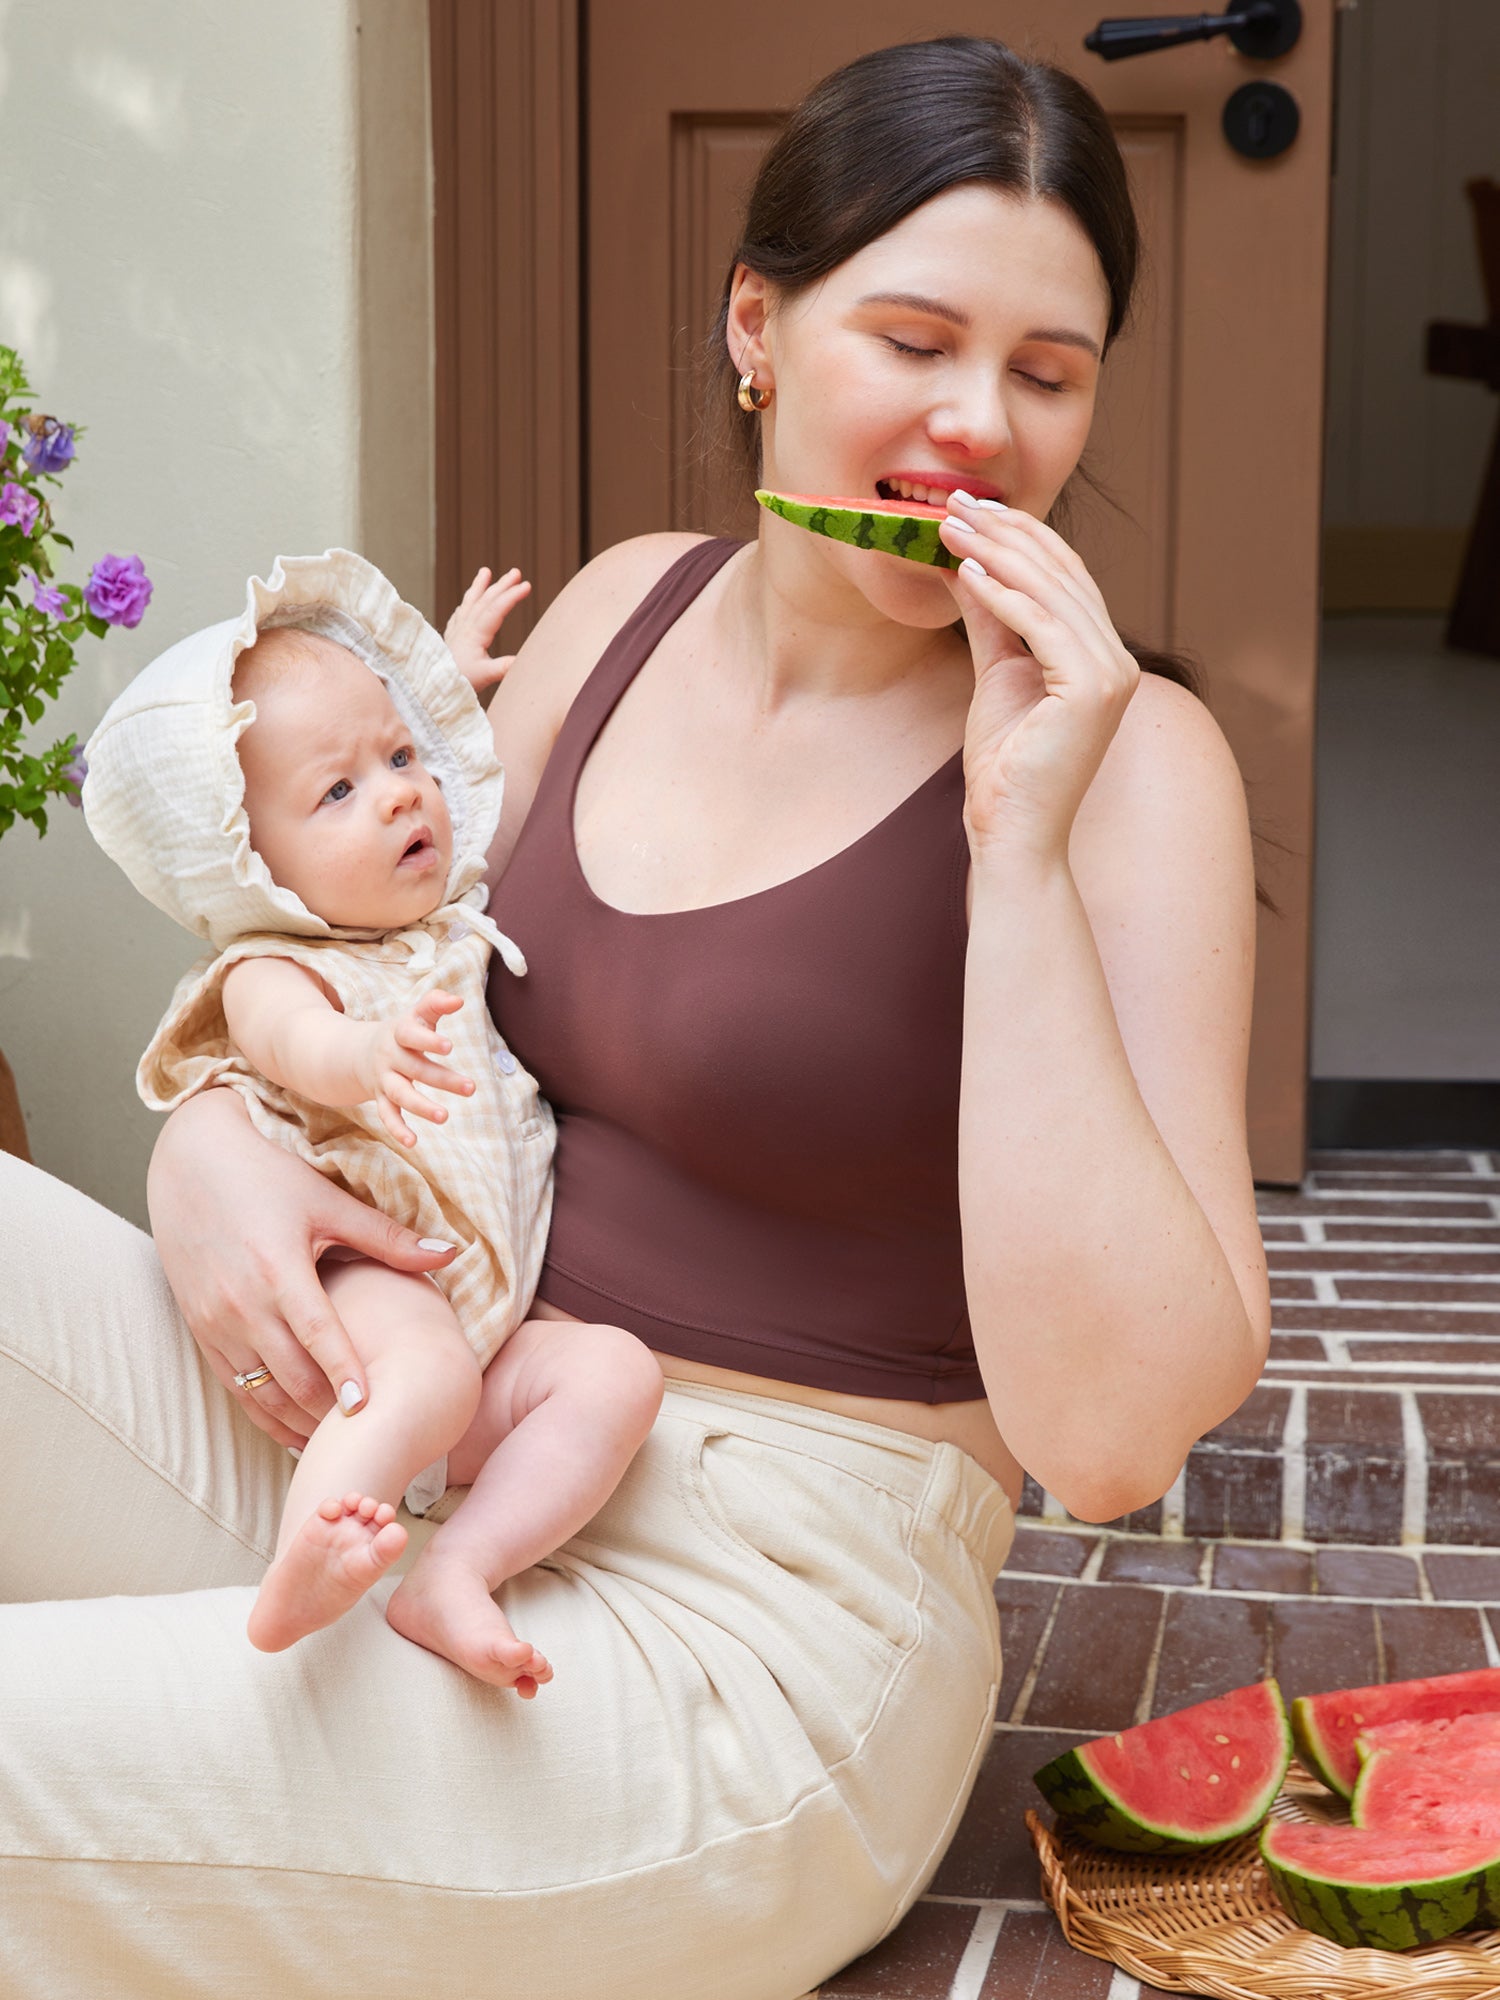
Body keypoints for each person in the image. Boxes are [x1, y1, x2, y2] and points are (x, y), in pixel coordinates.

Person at [0, 34, 1271, 2000]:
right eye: (914, 337)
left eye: (1048, 372)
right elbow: (384, 985)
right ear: (756, 324)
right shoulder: (614, 615)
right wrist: (207, 1150)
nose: (979, 422)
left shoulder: (1137, 769)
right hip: (431, 1420)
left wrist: (1013, 853)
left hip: (750, 1637)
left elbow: (1106, 1444)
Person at [80, 554, 664, 1682]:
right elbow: (291, 1044)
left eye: (404, 758)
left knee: (614, 1375)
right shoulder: (270, 961)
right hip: (368, 1292)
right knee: (431, 1375)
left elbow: (409, 768)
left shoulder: (450, 923)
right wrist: (364, 1051)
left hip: (476, 1318)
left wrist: (435, 685)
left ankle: (457, 1573)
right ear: (250, 863)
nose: (400, 792)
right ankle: (310, 1547)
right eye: (338, 791)